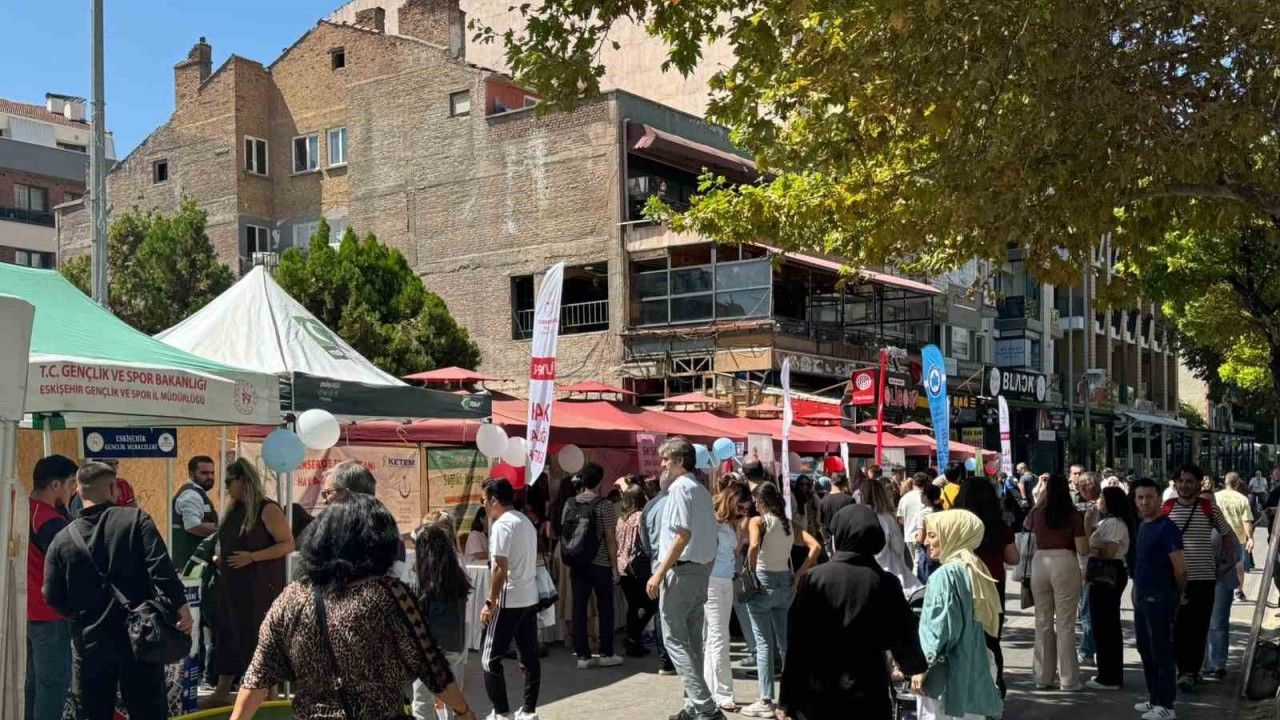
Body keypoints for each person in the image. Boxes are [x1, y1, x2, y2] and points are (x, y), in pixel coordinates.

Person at [228, 494, 474, 720]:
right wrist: (463, 711)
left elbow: (257, 678)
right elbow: (431, 665)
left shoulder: (291, 598)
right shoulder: (387, 595)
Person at [43, 461, 193, 720]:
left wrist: (77, 613)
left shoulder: (62, 539)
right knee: (148, 711)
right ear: (113, 488)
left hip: (90, 640)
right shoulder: (136, 520)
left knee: (93, 712)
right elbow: (161, 569)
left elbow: (51, 594)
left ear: (79, 492)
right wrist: (181, 607)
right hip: (141, 637)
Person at [780, 505, 927, 720]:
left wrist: (787, 699)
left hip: (820, 692)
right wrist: (914, 666)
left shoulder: (815, 579)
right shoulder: (886, 583)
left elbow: (797, 641)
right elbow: (903, 637)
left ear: (840, 535)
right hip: (868, 691)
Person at [203, 458, 295, 707]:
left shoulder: (267, 509)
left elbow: (288, 544)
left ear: (243, 480)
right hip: (232, 585)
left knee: (260, 638)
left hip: (260, 587)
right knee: (228, 635)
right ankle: (222, 691)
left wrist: (252, 557)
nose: (225, 487)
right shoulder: (233, 511)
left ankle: (269, 695)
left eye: (228, 481)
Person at [645, 437, 725, 720]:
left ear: (679, 461)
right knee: (691, 641)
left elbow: (682, 536)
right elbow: (711, 537)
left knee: (676, 641)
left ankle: (704, 706)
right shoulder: (700, 489)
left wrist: (659, 573)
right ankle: (694, 706)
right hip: (698, 571)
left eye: (666, 459)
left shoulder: (680, 488)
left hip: (681, 571)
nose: (662, 465)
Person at [910, 510, 1003, 720]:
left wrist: (922, 666)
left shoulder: (944, 575)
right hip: (973, 667)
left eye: (932, 535)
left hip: (944, 676)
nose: (926, 542)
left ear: (952, 534)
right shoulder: (975, 567)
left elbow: (940, 628)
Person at [741, 482, 821, 718]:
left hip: (763, 581)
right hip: (785, 582)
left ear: (762, 502)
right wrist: (799, 573)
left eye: (756, 501)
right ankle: (792, 695)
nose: (755, 504)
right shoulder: (788, 525)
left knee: (764, 643)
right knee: (785, 643)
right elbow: (815, 547)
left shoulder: (758, 522)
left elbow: (753, 546)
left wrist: (750, 571)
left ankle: (766, 699)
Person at [1164, 463, 1237, 692]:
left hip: (1204, 578)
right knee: (1178, 627)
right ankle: (1185, 671)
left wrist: (1228, 562)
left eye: (1189, 481)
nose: (1184, 485)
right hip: (1176, 579)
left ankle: (1191, 671)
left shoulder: (1209, 508)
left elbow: (1227, 533)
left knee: (1199, 626)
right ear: (1175, 483)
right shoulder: (1167, 508)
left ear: (1198, 484)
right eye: (1181, 481)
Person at [477, 478, 542, 720]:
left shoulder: (502, 525)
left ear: (493, 500)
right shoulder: (525, 521)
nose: (484, 505)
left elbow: (499, 568)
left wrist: (489, 602)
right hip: (528, 597)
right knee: (529, 657)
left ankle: (502, 712)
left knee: (489, 659)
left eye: (483, 500)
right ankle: (528, 710)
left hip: (509, 600)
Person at [954, 478, 1018, 697]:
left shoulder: (955, 523)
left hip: (962, 582)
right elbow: (1013, 558)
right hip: (993, 583)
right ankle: (994, 686)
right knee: (991, 638)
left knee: (962, 638)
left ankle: (967, 688)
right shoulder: (999, 526)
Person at [1024, 474, 1088, 692]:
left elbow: (1026, 524)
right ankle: (1068, 679)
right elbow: (1082, 549)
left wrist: (1039, 499)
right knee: (1065, 624)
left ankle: (1043, 676)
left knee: (1042, 621)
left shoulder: (1037, 513)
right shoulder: (1073, 515)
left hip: (1040, 563)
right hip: (1065, 562)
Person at [26, 454, 77, 720]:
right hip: (49, 614)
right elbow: (70, 563)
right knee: (52, 685)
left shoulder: (25, 509)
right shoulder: (47, 519)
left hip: (31, 612)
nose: (73, 491)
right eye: (71, 484)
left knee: (35, 685)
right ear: (56, 485)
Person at [1132, 478, 1187, 720]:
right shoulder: (1144, 525)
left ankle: (1167, 705)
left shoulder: (1167, 528)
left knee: (1161, 650)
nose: (1144, 502)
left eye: (1149, 497)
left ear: (1158, 498)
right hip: (1142, 597)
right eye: (1140, 497)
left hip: (1161, 597)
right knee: (1145, 648)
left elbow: (1180, 568)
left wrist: (1178, 594)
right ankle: (1155, 698)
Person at [560, 461, 622, 669]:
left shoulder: (570, 503)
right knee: (606, 608)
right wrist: (615, 568)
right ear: (600, 481)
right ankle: (606, 652)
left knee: (579, 607)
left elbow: (565, 531)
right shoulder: (605, 505)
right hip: (601, 563)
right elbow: (611, 539)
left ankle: (583, 656)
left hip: (577, 562)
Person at [412, 521, 472, 720]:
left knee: (423, 704)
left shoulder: (424, 580)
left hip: (430, 651)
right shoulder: (456, 575)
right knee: (454, 699)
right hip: (455, 645)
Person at [1084, 486, 1134, 691]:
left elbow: (1109, 552)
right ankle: (1106, 672)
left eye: (1102, 498)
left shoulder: (1114, 524)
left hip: (1107, 572)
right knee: (1102, 624)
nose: (1099, 501)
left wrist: (1095, 545)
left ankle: (1109, 676)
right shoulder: (1108, 521)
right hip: (1105, 572)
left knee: (1106, 625)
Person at [706, 487, 742, 712]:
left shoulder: (730, 525)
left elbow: (732, 552)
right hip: (713, 582)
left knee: (715, 637)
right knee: (719, 637)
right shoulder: (714, 524)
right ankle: (722, 692)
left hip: (724, 580)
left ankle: (712, 689)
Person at [862, 475, 924, 600]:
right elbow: (898, 547)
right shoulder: (886, 518)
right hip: (890, 569)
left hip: (865, 572)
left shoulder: (859, 518)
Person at [640, 467, 677, 676]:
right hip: (676, 565)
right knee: (675, 613)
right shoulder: (677, 504)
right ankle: (674, 658)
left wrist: (653, 554)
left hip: (656, 563)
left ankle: (665, 660)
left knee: (661, 612)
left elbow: (643, 537)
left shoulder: (649, 506)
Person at [616, 483, 657, 657]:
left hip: (622, 566)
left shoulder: (621, 518)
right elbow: (646, 542)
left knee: (633, 605)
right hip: (637, 566)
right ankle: (634, 637)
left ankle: (632, 638)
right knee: (650, 603)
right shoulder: (640, 517)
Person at [171, 455, 219, 572]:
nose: (210, 477)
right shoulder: (191, 495)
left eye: (212, 473)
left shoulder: (198, 493)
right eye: (204, 473)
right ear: (191, 474)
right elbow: (194, 526)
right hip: (189, 563)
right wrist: (224, 529)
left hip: (196, 562)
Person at [1075, 471, 1102, 668]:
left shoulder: (1097, 508)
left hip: (1091, 564)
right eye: (1080, 485)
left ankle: (1087, 651)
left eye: (1087, 484)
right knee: (1087, 608)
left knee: (1088, 609)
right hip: (1084, 562)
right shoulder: (1084, 505)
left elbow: (1088, 539)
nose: (1082, 488)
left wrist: (1084, 522)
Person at [1217, 473, 1254, 595]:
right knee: (1239, 566)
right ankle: (1239, 591)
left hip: (1219, 537)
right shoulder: (1242, 499)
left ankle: (1220, 591)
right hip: (1237, 538)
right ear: (1237, 484)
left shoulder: (1215, 497)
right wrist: (1250, 538)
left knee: (1219, 565)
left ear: (1225, 482)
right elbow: (1246, 520)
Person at [818, 472, 856, 554]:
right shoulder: (850, 500)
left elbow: (821, 525)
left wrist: (826, 540)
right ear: (844, 483)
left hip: (830, 542)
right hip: (847, 541)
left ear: (831, 482)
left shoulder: (823, 501)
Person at [790, 475, 822, 569]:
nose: (804, 487)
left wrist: (813, 491)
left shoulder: (811, 497)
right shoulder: (794, 497)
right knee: (802, 561)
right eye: (802, 484)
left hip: (811, 531)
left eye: (807, 484)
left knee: (812, 559)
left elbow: (819, 504)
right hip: (800, 535)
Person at [899, 472, 930, 570]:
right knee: (919, 565)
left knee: (916, 563)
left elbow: (900, 519)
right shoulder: (927, 497)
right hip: (925, 536)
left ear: (913, 483)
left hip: (909, 536)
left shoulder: (904, 498)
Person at [915, 483, 944, 583]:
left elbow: (921, 538)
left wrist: (916, 537)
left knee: (925, 582)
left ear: (926, 496)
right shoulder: (942, 511)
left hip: (927, 551)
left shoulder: (924, 513)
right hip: (940, 549)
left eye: (923, 494)